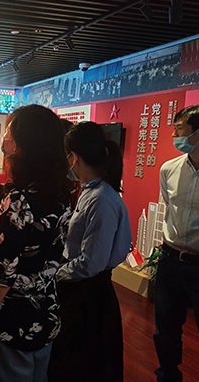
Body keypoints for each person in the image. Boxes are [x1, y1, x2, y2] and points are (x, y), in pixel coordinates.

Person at [0, 104, 71, 382]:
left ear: (24, 146)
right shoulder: (61, 195)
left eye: (9, 135)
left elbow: (1, 279)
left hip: (10, 320)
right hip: (44, 313)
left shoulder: (18, 202)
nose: (4, 142)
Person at [49, 121, 131, 382]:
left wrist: (54, 275)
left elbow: (91, 262)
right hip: (81, 290)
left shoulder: (101, 199)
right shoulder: (90, 192)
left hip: (89, 297)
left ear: (73, 157)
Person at [154, 104, 199, 382]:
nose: (174, 135)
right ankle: (168, 375)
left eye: (180, 129)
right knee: (165, 328)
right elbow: (169, 208)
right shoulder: (168, 169)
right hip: (170, 261)